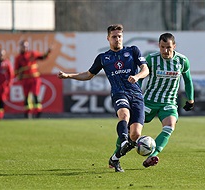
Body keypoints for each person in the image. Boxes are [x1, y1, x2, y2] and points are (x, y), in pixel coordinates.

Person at [57, 24, 149, 172]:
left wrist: (137, 76)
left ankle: (115, 159)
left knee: (136, 134)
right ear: (108, 38)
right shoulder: (103, 58)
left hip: (136, 94)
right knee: (124, 115)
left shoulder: (133, 51)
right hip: (119, 93)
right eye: (114, 37)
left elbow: (145, 69)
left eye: (119, 36)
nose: (117, 39)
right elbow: (88, 75)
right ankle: (124, 140)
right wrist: (69, 75)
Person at [141, 32, 194, 167]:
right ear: (159, 46)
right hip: (148, 102)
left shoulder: (182, 61)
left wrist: (190, 99)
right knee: (132, 131)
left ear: (174, 46)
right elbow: (141, 77)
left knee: (170, 126)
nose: (165, 50)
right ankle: (116, 155)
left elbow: (188, 81)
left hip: (168, 103)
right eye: (162, 47)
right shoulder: (151, 59)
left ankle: (152, 156)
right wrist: (136, 97)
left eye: (168, 47)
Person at [14, 40, 52, 118]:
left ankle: (37, 112)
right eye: (23, 46)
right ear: (20, 47)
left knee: (35, 94)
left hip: (34, 78)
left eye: (26, 46)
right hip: (25, 79)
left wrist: (48, 52)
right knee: (26, 96)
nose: (25, 47)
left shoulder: (32, 53)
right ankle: (28, 113)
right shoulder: (18, 58)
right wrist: (19, 77)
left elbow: (42, 57)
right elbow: (16, 70)